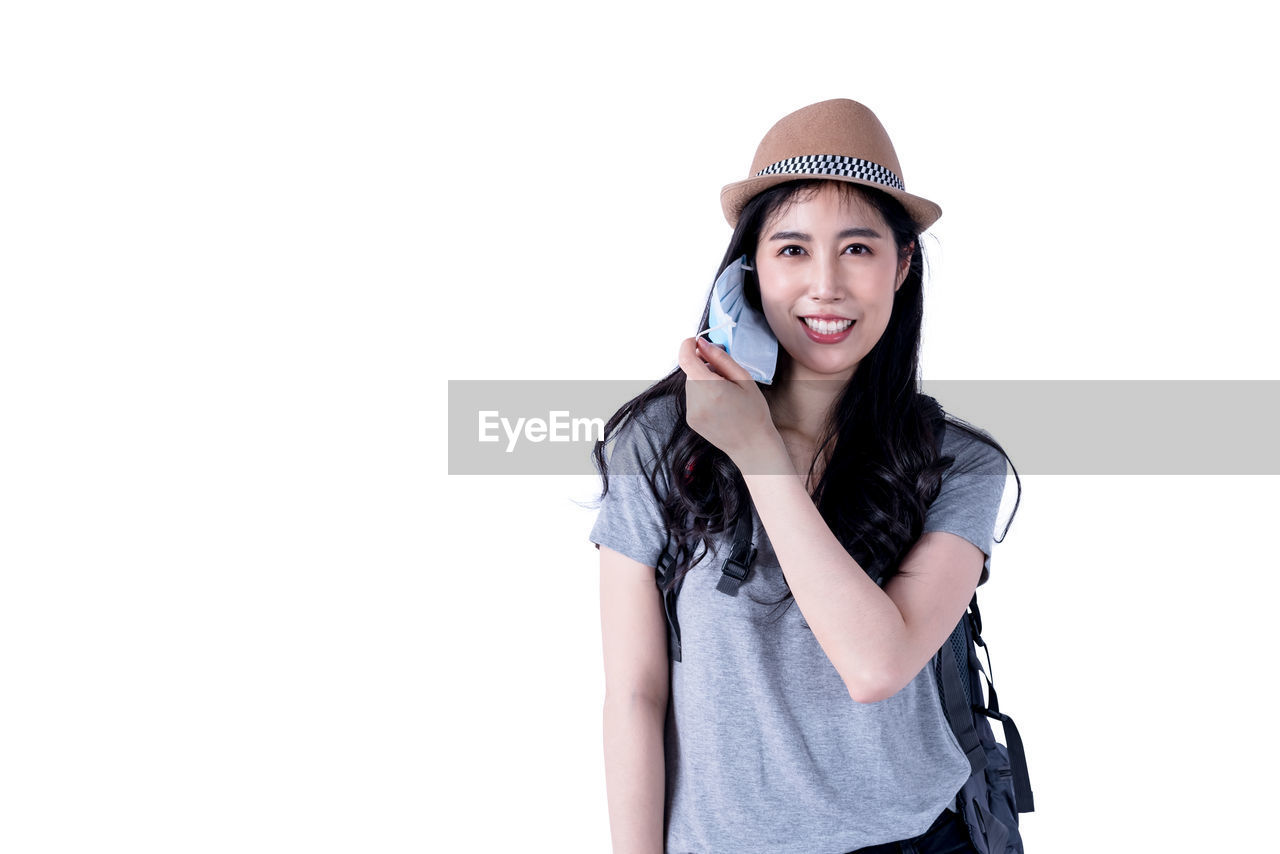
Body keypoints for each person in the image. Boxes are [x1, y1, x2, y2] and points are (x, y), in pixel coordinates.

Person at [589, 98, 1021, 854]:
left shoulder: (959, 465)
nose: (825, 285)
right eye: (792, 249)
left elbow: (876, 665)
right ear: (749, 268)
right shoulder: (658, 443)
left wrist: (760, 452)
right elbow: (635, 694)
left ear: (902, 264)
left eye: (857, 249)